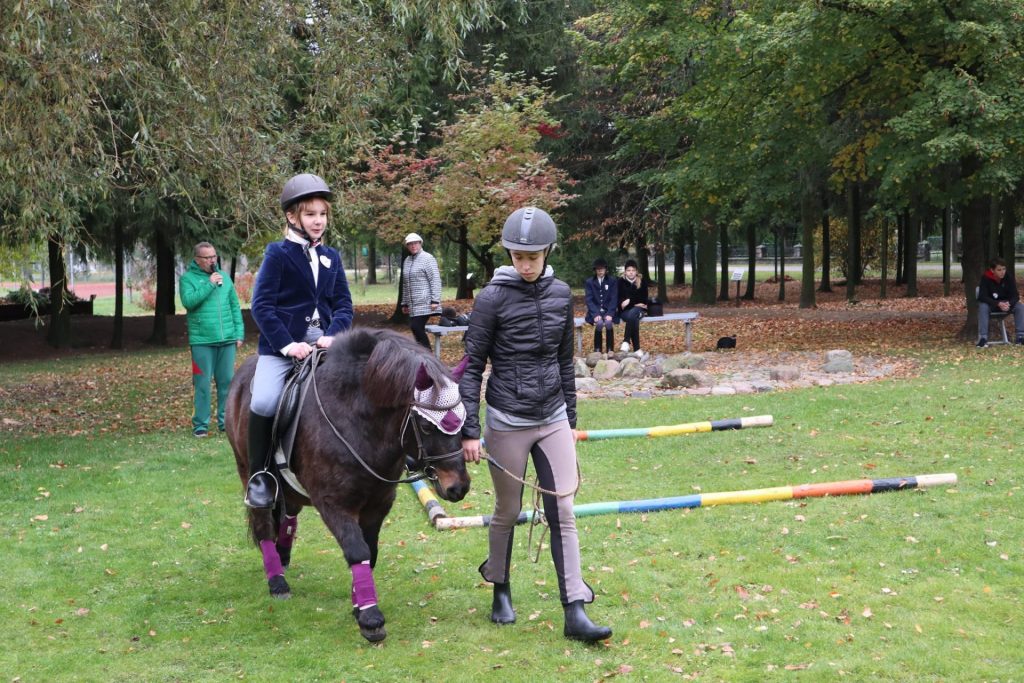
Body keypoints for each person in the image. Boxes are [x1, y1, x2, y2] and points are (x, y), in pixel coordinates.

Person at [459, 206, 613, 643]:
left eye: (534, 256)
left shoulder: (562, 294)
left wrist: (571, 420)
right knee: (507, 511)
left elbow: (565, 361)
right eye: (518, 256)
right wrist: (470, 429)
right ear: (509, 254)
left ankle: (574, 610)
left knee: (562, 509)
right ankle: (500, 588)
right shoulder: (490, 298)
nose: (526, 264)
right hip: (507, 419)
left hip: (552, 418)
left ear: (548, 252)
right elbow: (471, 367)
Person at [244, 173, 354, 508]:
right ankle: (260, 475)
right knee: (263, 401)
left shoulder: (331, 257)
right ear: (293, 217)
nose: (318, 221)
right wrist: (288, 345)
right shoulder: (277, 254)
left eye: (322, 214)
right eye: (310, 214)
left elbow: (344, 305)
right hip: (283, 348)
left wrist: (334, 335)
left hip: (325, 347)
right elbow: (261, 306)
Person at [179, 242, 244, 437]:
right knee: (202, 384)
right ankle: (201, 425)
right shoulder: (187, 279)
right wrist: (209, 284)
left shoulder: (224, 278)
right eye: (207, 258)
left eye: (214, 256)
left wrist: (239, 333)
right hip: (202, 341)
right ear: (197, 260)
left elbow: (234, 306)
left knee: (226, 383)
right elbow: (189, 302)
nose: (212, 261)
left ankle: (226, 423)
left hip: (227, 340)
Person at [401, 232, 442, 349]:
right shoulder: (407, 261)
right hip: (413, 304)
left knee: (416, 327)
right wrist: (404, 303)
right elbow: (405, 283)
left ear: (420, 243)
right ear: (407, 246)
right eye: (410, 244)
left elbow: (435, 279)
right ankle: (423, 357)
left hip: (426, 302)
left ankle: (428, 357)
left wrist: (435, 300)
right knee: (415, 329)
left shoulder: (428, 258)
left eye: (415, 243)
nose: (413, 246)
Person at [976, 256, 1024, 347]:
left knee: (1020, 307)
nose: (1002, 272)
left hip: (1007, 305)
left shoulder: (1008, 277)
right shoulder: (985, 278)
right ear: (992, 270)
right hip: (992, 305)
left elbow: (1015, 295)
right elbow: (982, 296)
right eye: (999, 270)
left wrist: (1009, 303)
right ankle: (983, 338)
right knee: (982, 306)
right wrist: (998, 304)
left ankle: (1020, 337)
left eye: (1004, 269)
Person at [584, 258, 619, 354]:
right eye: (598, 269)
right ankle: (597, 349)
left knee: (608, 323)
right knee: (599, 324)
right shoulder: (589, 282)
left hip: (609, 311)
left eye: (602, 269)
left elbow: (614, 298)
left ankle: (610, 349)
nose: (600, 271)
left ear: (606, 269)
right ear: (595, 270)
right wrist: (595, 314)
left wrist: (610, 313)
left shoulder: (612, 281)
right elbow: (589, 300)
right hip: (595, 311)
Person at [616, 259, 649, 354]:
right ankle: (637, 349)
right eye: (628, 270)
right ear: (625, 271)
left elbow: (644, 299)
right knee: (633, 317)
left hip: (640, 310)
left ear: (636, 271)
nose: (631, 272)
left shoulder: (642, 282)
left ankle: (626, 341)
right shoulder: (620, 282)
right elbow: (619, 301)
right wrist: (635, 302)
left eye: (633, 270)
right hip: (624, 312)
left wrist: (629, 301)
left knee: (633, 313)